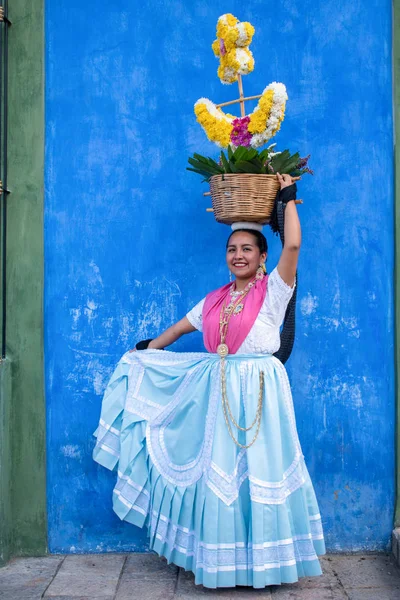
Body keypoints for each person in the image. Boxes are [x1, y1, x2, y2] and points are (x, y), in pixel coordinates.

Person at [92, 172, 326, 589]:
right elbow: (180, 329)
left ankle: (264, 563)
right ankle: (223, 561)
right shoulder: (216, 299)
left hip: (259, 393)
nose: (238, 255)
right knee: (220, 475)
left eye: (247, 249)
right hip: (220, 393)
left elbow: (293, 243)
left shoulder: (274, 291)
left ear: (261, 256)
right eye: (232, 249)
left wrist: (289, 197)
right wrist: (147, 351)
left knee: (260, 472)